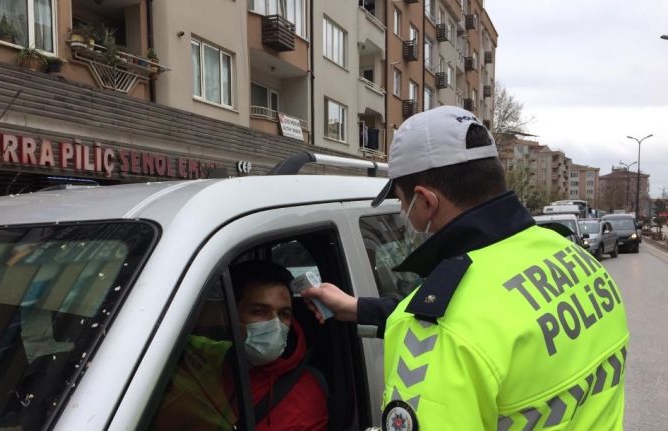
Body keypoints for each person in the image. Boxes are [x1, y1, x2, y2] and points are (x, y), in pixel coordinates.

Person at [302, 106, 629, 430]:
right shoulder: (574, 258)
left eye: (401, 202)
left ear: (426, 200)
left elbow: (454, 329)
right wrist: (358, 308)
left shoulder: (444, 330)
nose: (403, 213)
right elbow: (493, 323)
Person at [153, 260, 328, 431]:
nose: (275, 325)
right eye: (259, 311)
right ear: (230, 315)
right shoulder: (219, 357)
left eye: (284, 314)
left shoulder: (305, 398)